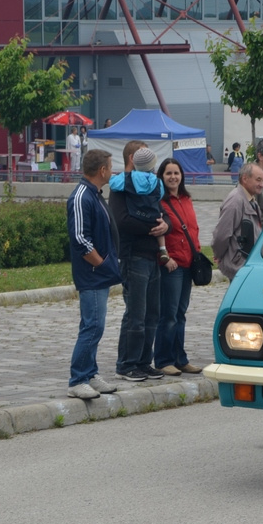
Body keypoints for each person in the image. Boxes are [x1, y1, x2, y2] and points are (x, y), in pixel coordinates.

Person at [108, 141, 169, 382]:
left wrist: (165, 225)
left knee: (152, 314)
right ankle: (127, 364)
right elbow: (121, 221)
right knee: (136, 314)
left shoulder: (153, 184)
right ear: (132, 157)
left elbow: (163, 214)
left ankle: (144, 361)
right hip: (133, 256)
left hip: (152, 256)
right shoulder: (120, 187)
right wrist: (153, 227)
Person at [66, 149, 122, 399]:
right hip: (92, 274)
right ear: (102, 170)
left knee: (96, 326)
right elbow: (80, 239)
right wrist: (101, 264)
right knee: (92, 326)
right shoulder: (81, 196)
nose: (112, 171)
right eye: (110, 167)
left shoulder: (95, 194)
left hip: (100, 273)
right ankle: (78, 378)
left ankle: (90, 372)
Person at [154, 157, 202, 376]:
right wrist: (166, 257)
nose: (173, 177)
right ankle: (164, 360)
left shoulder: (186, 199)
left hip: (188, 263)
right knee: (169, 315)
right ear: (161, 177)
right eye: (168, 173)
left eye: (176, 173)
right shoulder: (159, 202)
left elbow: (193, 230)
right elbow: (157, 233)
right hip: (172, 266)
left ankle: (180, 358)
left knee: (181, 314)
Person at [212, 162, 263, 281]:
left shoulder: (250, 199)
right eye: (258, 180)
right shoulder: (235, 201)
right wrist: (219, 255)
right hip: (239, 266)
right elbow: (221, 235)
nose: (262, 185)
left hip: (246, 264)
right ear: (245, 178)